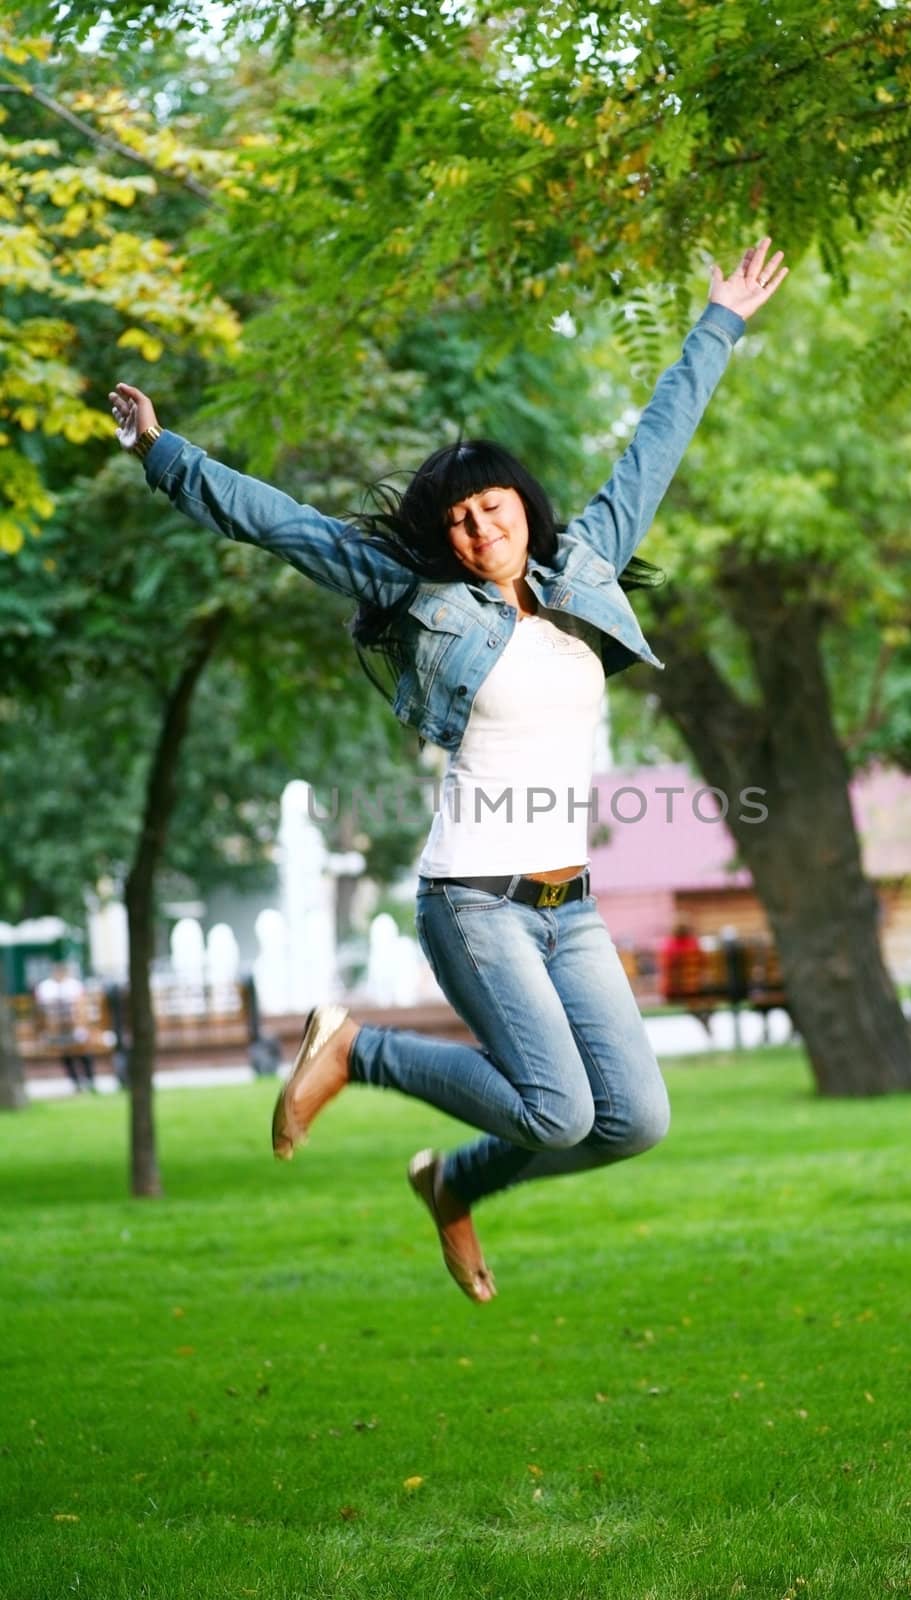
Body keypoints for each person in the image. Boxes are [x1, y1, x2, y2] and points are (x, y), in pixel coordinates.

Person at [110, 237, 788, 1303]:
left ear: (523, 502)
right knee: (557, 1110)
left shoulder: (587, 566)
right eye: (459, 521)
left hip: (569, 906)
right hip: (474, 898)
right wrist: (164, 453)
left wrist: (717, 321)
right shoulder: (417, 596)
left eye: (493, 507)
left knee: (633, 1120)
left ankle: (454, 1186)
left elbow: (655, 443)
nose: (479, 528)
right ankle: (358, 1049)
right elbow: (281, 524)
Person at [34, 962, 96, 1092]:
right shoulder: (46, 987)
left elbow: (82, 1005)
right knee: (66, 1053)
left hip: (75, 1026)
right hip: (57, 1028)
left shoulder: (74, 985)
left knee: (83, 1051)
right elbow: (42, 1008)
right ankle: (75, 1081)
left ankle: (90, 1080)